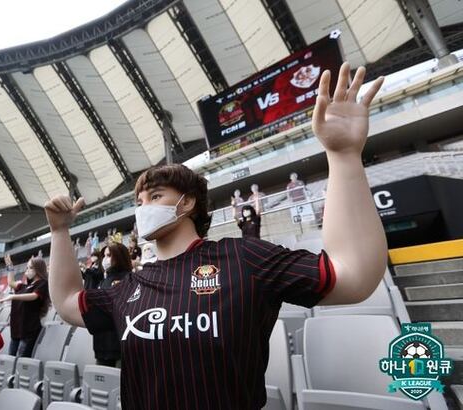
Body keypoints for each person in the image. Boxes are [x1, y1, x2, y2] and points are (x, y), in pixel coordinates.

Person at [43, 62, 388, 409]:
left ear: (187, 202)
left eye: (156, 196)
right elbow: (68, 302)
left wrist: (343, 155)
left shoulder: (245, 258)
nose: (143, 207)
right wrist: (59, 232)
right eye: (139, 202)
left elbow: (353, 276)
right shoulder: (129, 287)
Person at [0, 254, 50, 357]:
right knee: (11, 360)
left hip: (29, 331)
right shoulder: (25, 286)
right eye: (27, 267)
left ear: (38, 269)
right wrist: (10, 267)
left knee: (21, 360)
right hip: (16, 330)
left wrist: (13, 297)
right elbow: (11, 282)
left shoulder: (43, 283)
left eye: (30, 267)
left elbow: (34, 296)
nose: (27, 270)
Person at [91, 243, 131, 367]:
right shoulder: (104, 280)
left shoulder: (128, 279)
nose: (105, 259)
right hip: (102, 344)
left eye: (108, 255)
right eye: (104, 256)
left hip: (119, 345)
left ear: (119, 256)